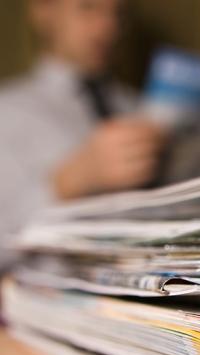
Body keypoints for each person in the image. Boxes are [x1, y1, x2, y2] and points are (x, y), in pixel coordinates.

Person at [0, 0, 166, 268]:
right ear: (42, 11)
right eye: (88, 7)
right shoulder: (6, 111)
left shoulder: (143, 108)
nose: (108, 27)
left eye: (117, 14)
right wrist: (66, 184)